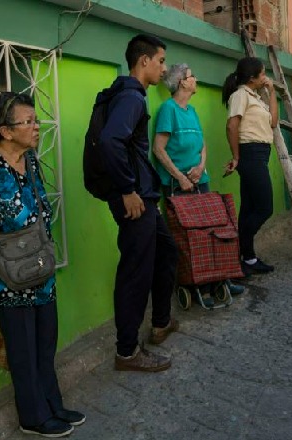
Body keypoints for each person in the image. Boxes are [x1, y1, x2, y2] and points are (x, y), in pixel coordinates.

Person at [0, 92, 85, 437]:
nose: (35, 127)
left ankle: (53, 404)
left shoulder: (30, 161)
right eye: (27, 122)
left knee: (45, 340)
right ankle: (32, 417)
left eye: (35, 120)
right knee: (22, 348)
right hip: (5, 271)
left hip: (38, 263)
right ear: (6, 131)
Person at [98, 34, 179, 372]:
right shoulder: (131, 97)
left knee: (166, 250)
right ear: (143, 61)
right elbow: (110, 141)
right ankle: (127, 351)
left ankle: (160, 322)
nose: (164, 68)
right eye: (160, 61)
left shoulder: (130, 95)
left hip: (144, 195)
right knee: (136, 272)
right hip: (134, 199)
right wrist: (128, 189)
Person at [152, 63, 246, 307]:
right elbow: (158, 149)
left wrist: (201, 166)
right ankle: (195, 283)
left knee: (212, 232)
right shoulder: (168, 110)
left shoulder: (191, 110)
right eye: (192, 76)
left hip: (200, 181)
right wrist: (181, 177)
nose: (196, 79)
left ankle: (218, 280)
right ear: (182, 82)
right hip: (178, 185)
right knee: (189, 237)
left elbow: (202, 144)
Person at [222, 57, 278, 276]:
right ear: (252, 77)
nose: (265, 77)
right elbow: (231, 125)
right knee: (265, 208)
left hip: (260, 153)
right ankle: (238, 249)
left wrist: (272, 92)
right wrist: (236, 157)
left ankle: (248, 258)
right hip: (250, 153)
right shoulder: (240, 95)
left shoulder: (256, 96)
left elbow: (273, 122)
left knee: (248, 209)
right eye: (262, 74)